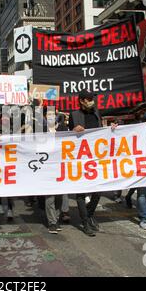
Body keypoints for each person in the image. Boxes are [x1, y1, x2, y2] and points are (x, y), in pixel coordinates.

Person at [68, 89, 104, 237]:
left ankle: (89, 215)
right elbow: (67, 137)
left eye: (92, 98)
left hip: (96, 157)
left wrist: (112, 129)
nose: (92, 101)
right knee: (81, 192)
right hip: (80, 158)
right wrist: (73, 130)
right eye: (89, 98)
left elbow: (102, 131)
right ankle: (85, 222)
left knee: (98, 190)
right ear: (82, 101)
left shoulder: (97, 113)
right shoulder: (74, 115)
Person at [44, 109, 68, 234]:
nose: (51, 117)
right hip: (47, 166)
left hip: (60, 165)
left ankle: (56, 218)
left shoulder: (63, 128)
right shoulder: (41, 130)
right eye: (48, 115)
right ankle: (52, 222)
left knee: (60, 195)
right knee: (50, 196)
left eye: (53, 115)